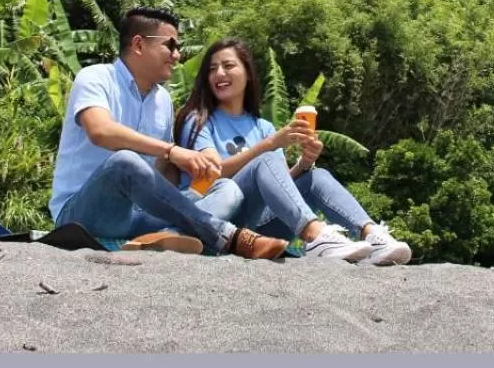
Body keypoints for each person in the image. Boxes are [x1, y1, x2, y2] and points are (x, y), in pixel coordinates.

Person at [49, 7, 287, 259]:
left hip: (138, 216)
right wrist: (173, 151)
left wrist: (197, 176)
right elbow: (100, 131)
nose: (177, 55)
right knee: (125, 161)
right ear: (139, 45)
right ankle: (228, 236)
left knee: (228, 189)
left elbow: (161, 173)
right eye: (170, 46)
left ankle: (166, 236)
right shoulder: (95, 77)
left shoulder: (162, 100)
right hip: (82, 215)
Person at [172, 38, 413, 265]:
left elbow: (277, 183)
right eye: (212, 69)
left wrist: (303, 165)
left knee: (317, 176)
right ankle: (315, 234)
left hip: (260, 225)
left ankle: (373, 235)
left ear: (247, 74)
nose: (219, 74)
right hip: (217, 218)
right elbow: (211, 175)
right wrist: (268, 145)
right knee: (264, 158)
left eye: (228, 66)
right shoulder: (198, 119)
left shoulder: (263, 126)